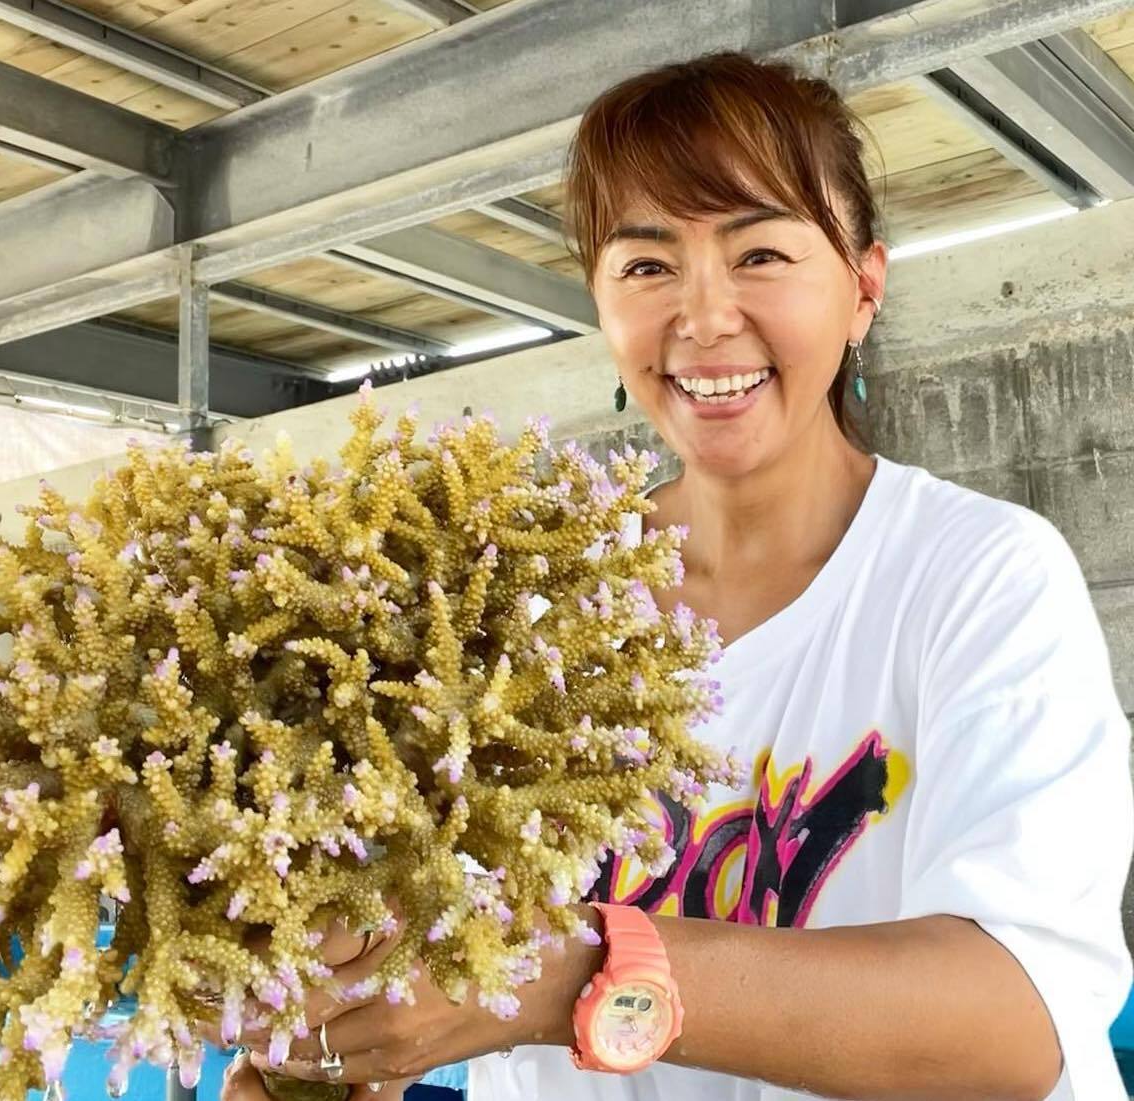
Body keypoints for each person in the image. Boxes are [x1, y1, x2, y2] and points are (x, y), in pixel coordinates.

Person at [223, 52, 1133, 1101]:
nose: (703, 318)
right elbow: (436, 970)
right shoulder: (517, 609)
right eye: (648, 266)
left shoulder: (978, 576)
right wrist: (348, 1049)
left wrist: (575, 975)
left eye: (760, 253)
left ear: (863, 288)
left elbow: (1016, 1023)